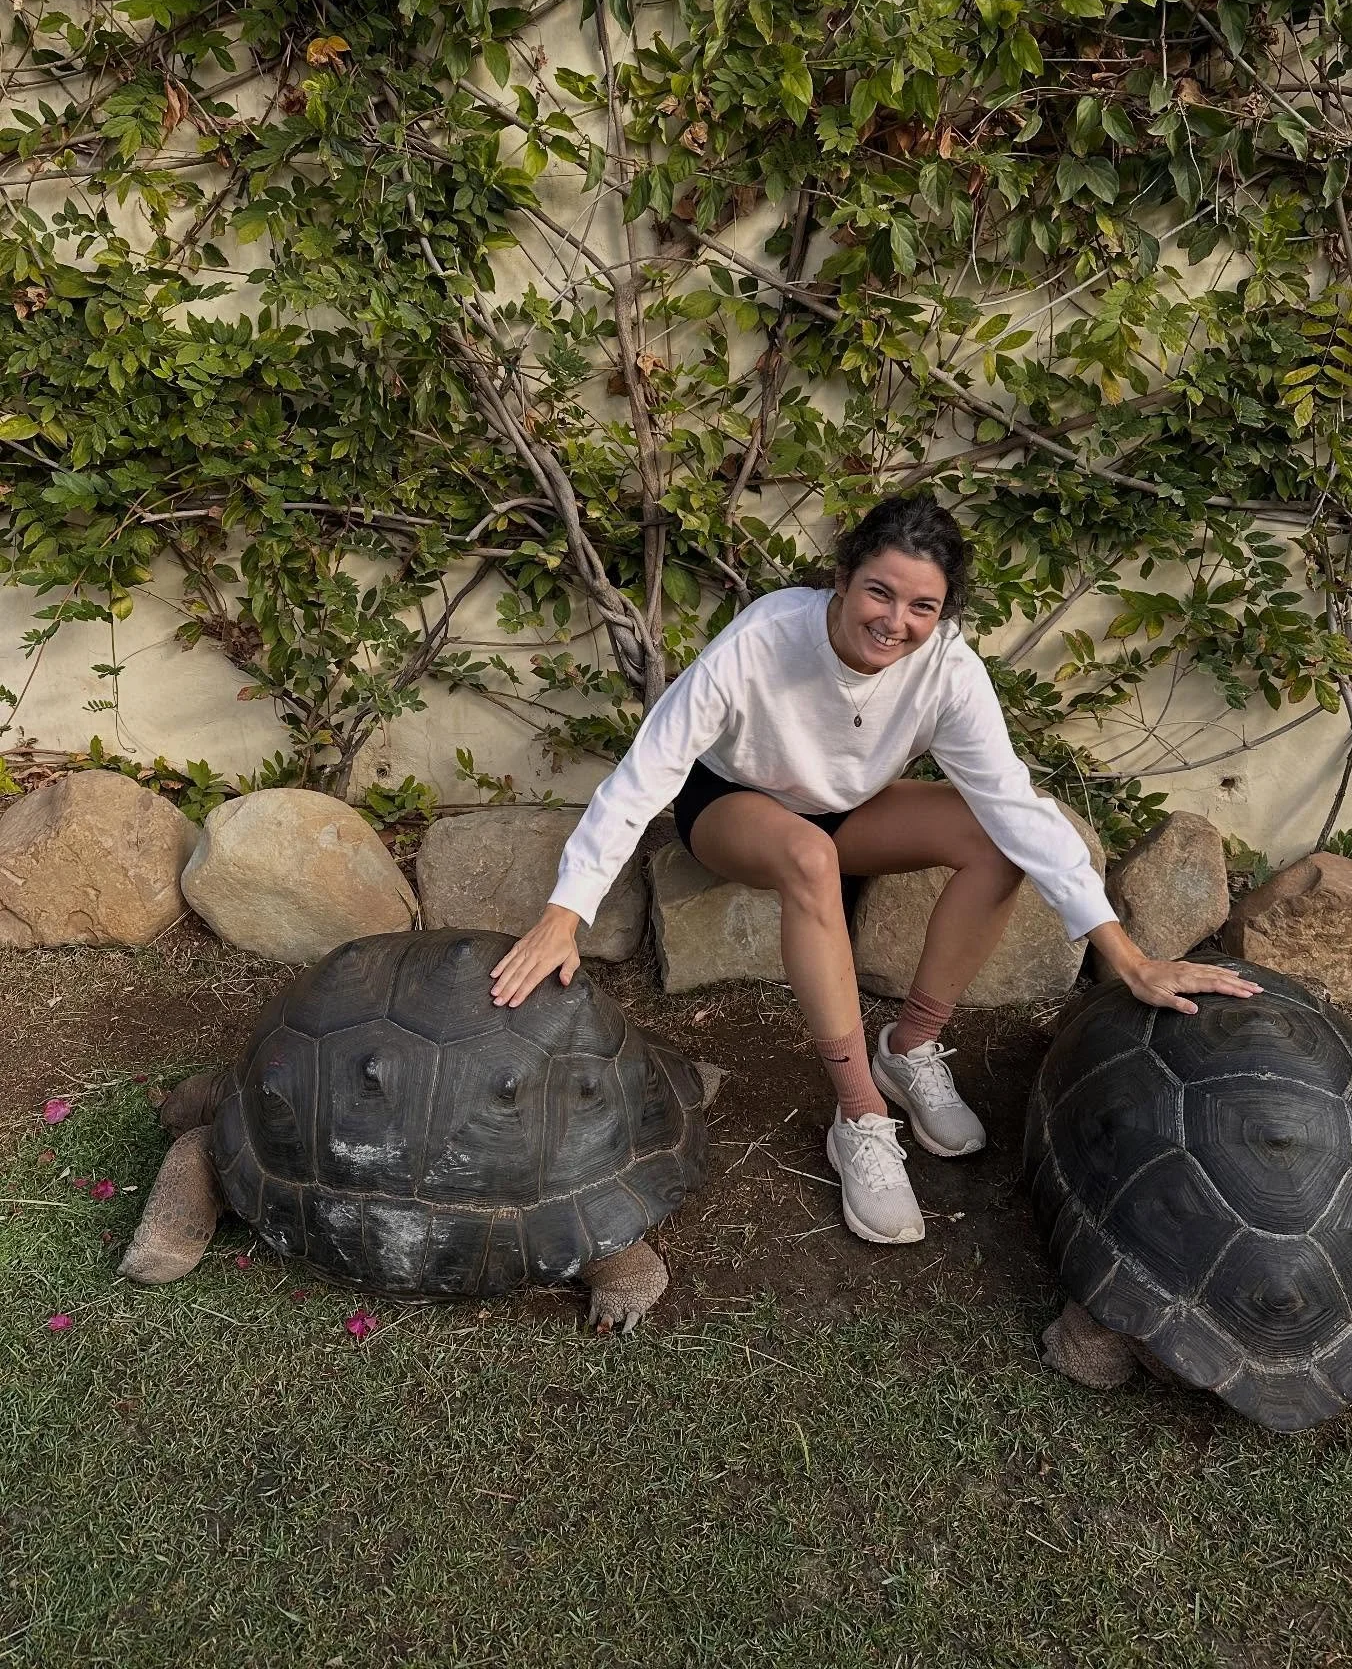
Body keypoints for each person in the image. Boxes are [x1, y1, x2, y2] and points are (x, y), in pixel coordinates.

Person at [489, 494, 1261, 1246]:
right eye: (880, 593)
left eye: (922, 607)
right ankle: (859, 1114)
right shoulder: (762, 641)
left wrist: (1123, 955)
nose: (895, 621)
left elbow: (1014, 805)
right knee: (807, 854)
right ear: (843, 578)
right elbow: (646, 769)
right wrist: (567, 910)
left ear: (945, 613)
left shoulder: (947, 671)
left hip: (847, 805)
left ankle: (909, 1047)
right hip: (734, 805)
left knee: (1000, 839)